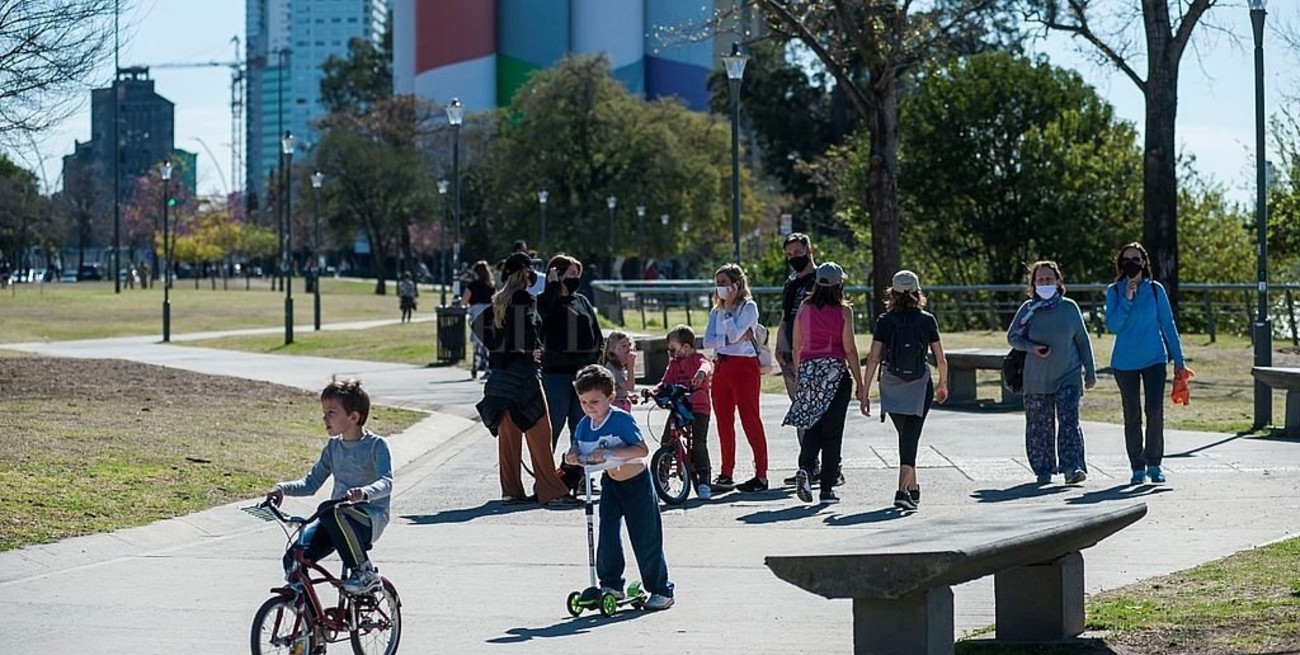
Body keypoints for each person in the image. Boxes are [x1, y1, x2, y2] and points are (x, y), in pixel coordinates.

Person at [265, 377, 392, 594]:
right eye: (324, 412)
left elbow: (386, 483)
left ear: (353, 417)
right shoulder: (333, 447)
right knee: (294, 559)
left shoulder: (376, 445)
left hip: (368, 518)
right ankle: (309, 618)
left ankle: (364, 571)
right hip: (334, 517)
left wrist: (364, 493)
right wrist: (282, 488)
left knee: (330, 510)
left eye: (331, 412)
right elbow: (310, 483)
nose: (325, 417)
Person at [563, 365, 675, 611]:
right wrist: (571, 455)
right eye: (583, 402)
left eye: (595, 401)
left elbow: (642, 450)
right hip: (610, 484)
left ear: (610, 398)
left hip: (637, 484)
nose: (589, 407)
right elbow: (576, 448)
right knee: (608, 533)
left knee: (645, 536)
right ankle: (611, 584)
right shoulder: (584, 424)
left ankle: (660, 589)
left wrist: (612, 452)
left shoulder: (621, 420)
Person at [473, 252, 575, 506]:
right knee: (540, 432)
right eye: (531, 271)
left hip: (501, 378)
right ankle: (552, 491)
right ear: (524, 273)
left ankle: (511, 490)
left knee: (509, 436)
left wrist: (500, 351)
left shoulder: (499, 299)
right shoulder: (523, 299)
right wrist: (527, 351)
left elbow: (477, 325)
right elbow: (527, 328)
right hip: (524, 376)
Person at [862, 270, 948, 511]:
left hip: (891, 384)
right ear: (917, 292)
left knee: (907, 436)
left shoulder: (884, 321)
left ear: (893, 293)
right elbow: (941, 358)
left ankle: (913, 488)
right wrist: (943, 383)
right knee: (911, 437)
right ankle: (901, 492)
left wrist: (865, 390)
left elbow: (874, 358)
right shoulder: (927, 320)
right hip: (920, 384)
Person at [1007, 261, 1097, 485]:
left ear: (1058, 282)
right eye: (1040, 280)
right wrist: (1031, 348)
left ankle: (1072, 467)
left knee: (1069, 422)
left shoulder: (1069, 308)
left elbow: (1083, 342)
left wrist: (1090, 372)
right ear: (1033, 284)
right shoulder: (1028, 310)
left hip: (1069, 374)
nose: (1045, 283)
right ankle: (1044, 470)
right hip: (1036, 378)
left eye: (1049, 279)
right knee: (1040, 427)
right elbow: (1012, 337)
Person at [783, 262, 866, 505]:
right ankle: (827, 488)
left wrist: (801, 374)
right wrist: (860, 384)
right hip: (835, 373)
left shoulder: (804, 308)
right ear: (840, 283)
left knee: (812, 425)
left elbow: (797, 344)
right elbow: (849, 348)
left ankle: (806, 469)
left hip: (809, 371)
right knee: (833, 432)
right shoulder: (843, 311)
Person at [1105, 242, 1186, 485]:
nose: (1132, 263)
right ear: (1121, 264)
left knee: (1154, 411)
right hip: (1124, 362)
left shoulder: (1155, 290)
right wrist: (1127, 299)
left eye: (1136, 259)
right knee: (1132, 415)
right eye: (1127, 259)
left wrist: (1179, 360)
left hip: (1154, 359)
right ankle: (1137, 466)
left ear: (1144, 263)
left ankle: (1154, 463)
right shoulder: (1114, 291)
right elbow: (1114, 326)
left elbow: (1168, 326)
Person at [703, 263, 769, 493]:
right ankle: (726, 472)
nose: (720, 287)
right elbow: (708, 341)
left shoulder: (747, 307)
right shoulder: (716, 311)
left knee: (750, 418)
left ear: (736, 283)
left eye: (724, 282)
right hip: (722, 366)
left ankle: (761, 474)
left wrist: (730, 313)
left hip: (744, 368)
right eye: (717, 283)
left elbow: (736, 333)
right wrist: (729, 340)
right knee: (723, 421)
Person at [538, 254, 604, 450]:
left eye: (577, 274)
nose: (575, 278)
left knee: (582, 428)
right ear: (557, 274)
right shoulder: (545, 301)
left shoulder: (582, 302)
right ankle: (545, 476)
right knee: (553, 426)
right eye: (571, 273)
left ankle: (576, 474)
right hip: (555, 375)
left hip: (583, 376)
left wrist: (595, 364)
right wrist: (551, 288)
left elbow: (597, 335)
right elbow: (540, 321)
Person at [654, 324, 713, 499]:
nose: (671, 353)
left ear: (686, 347)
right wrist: (653, 391)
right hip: (679, 407)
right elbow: (665, 382)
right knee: (667, 440)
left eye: (673, 349)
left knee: (698, 444)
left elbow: (706, 366)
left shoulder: (698, 359)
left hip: (698, 408)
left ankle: (703, 480)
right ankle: (661, 477)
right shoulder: (673, 364)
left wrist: (701, 374)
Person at [461, 260, 496, 380]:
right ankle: (488, 367)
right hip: (489, 315)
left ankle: (475, 366)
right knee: (488, 342)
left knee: (477, 343)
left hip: (476, 314)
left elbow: (464, 302)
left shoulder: (472, 286)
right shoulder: (491, 286)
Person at [599, 330, 637, 411]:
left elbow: (620, 387)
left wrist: (627, 395)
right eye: (624, 346)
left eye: (629, 345)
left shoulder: (620, 366)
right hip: (616, 406)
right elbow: (630, 386)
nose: (628, 349)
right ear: (612, 349)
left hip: (621, 403)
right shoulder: (613, 368)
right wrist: (631, 366)